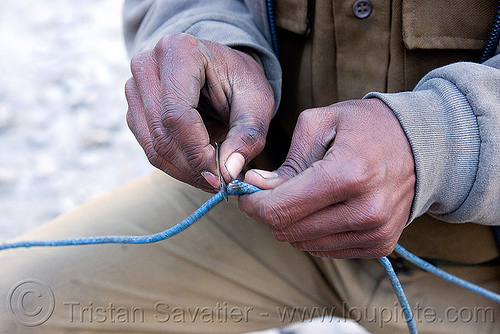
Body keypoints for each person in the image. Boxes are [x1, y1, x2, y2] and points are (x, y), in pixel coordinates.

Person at [1, 0, 499, 333]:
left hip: (482, 262)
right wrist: (206, 36)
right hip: (252, 206)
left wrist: (444, 140)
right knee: (14, 303)